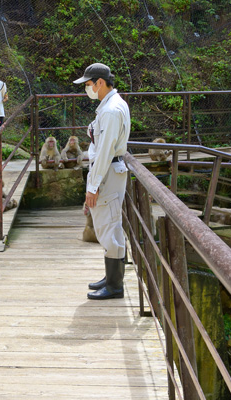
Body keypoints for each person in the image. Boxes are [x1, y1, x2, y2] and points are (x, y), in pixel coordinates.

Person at [73, 63, 131, 300]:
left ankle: (115, 286)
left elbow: (105, 150)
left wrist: (93, 187)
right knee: (110, 224)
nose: (87, 89)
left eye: (88, 84)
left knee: (108, 226)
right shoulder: (113, 104)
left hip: (106, 172)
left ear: (99, 82)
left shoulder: (110, 110)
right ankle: (111, 278)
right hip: (110, 169)